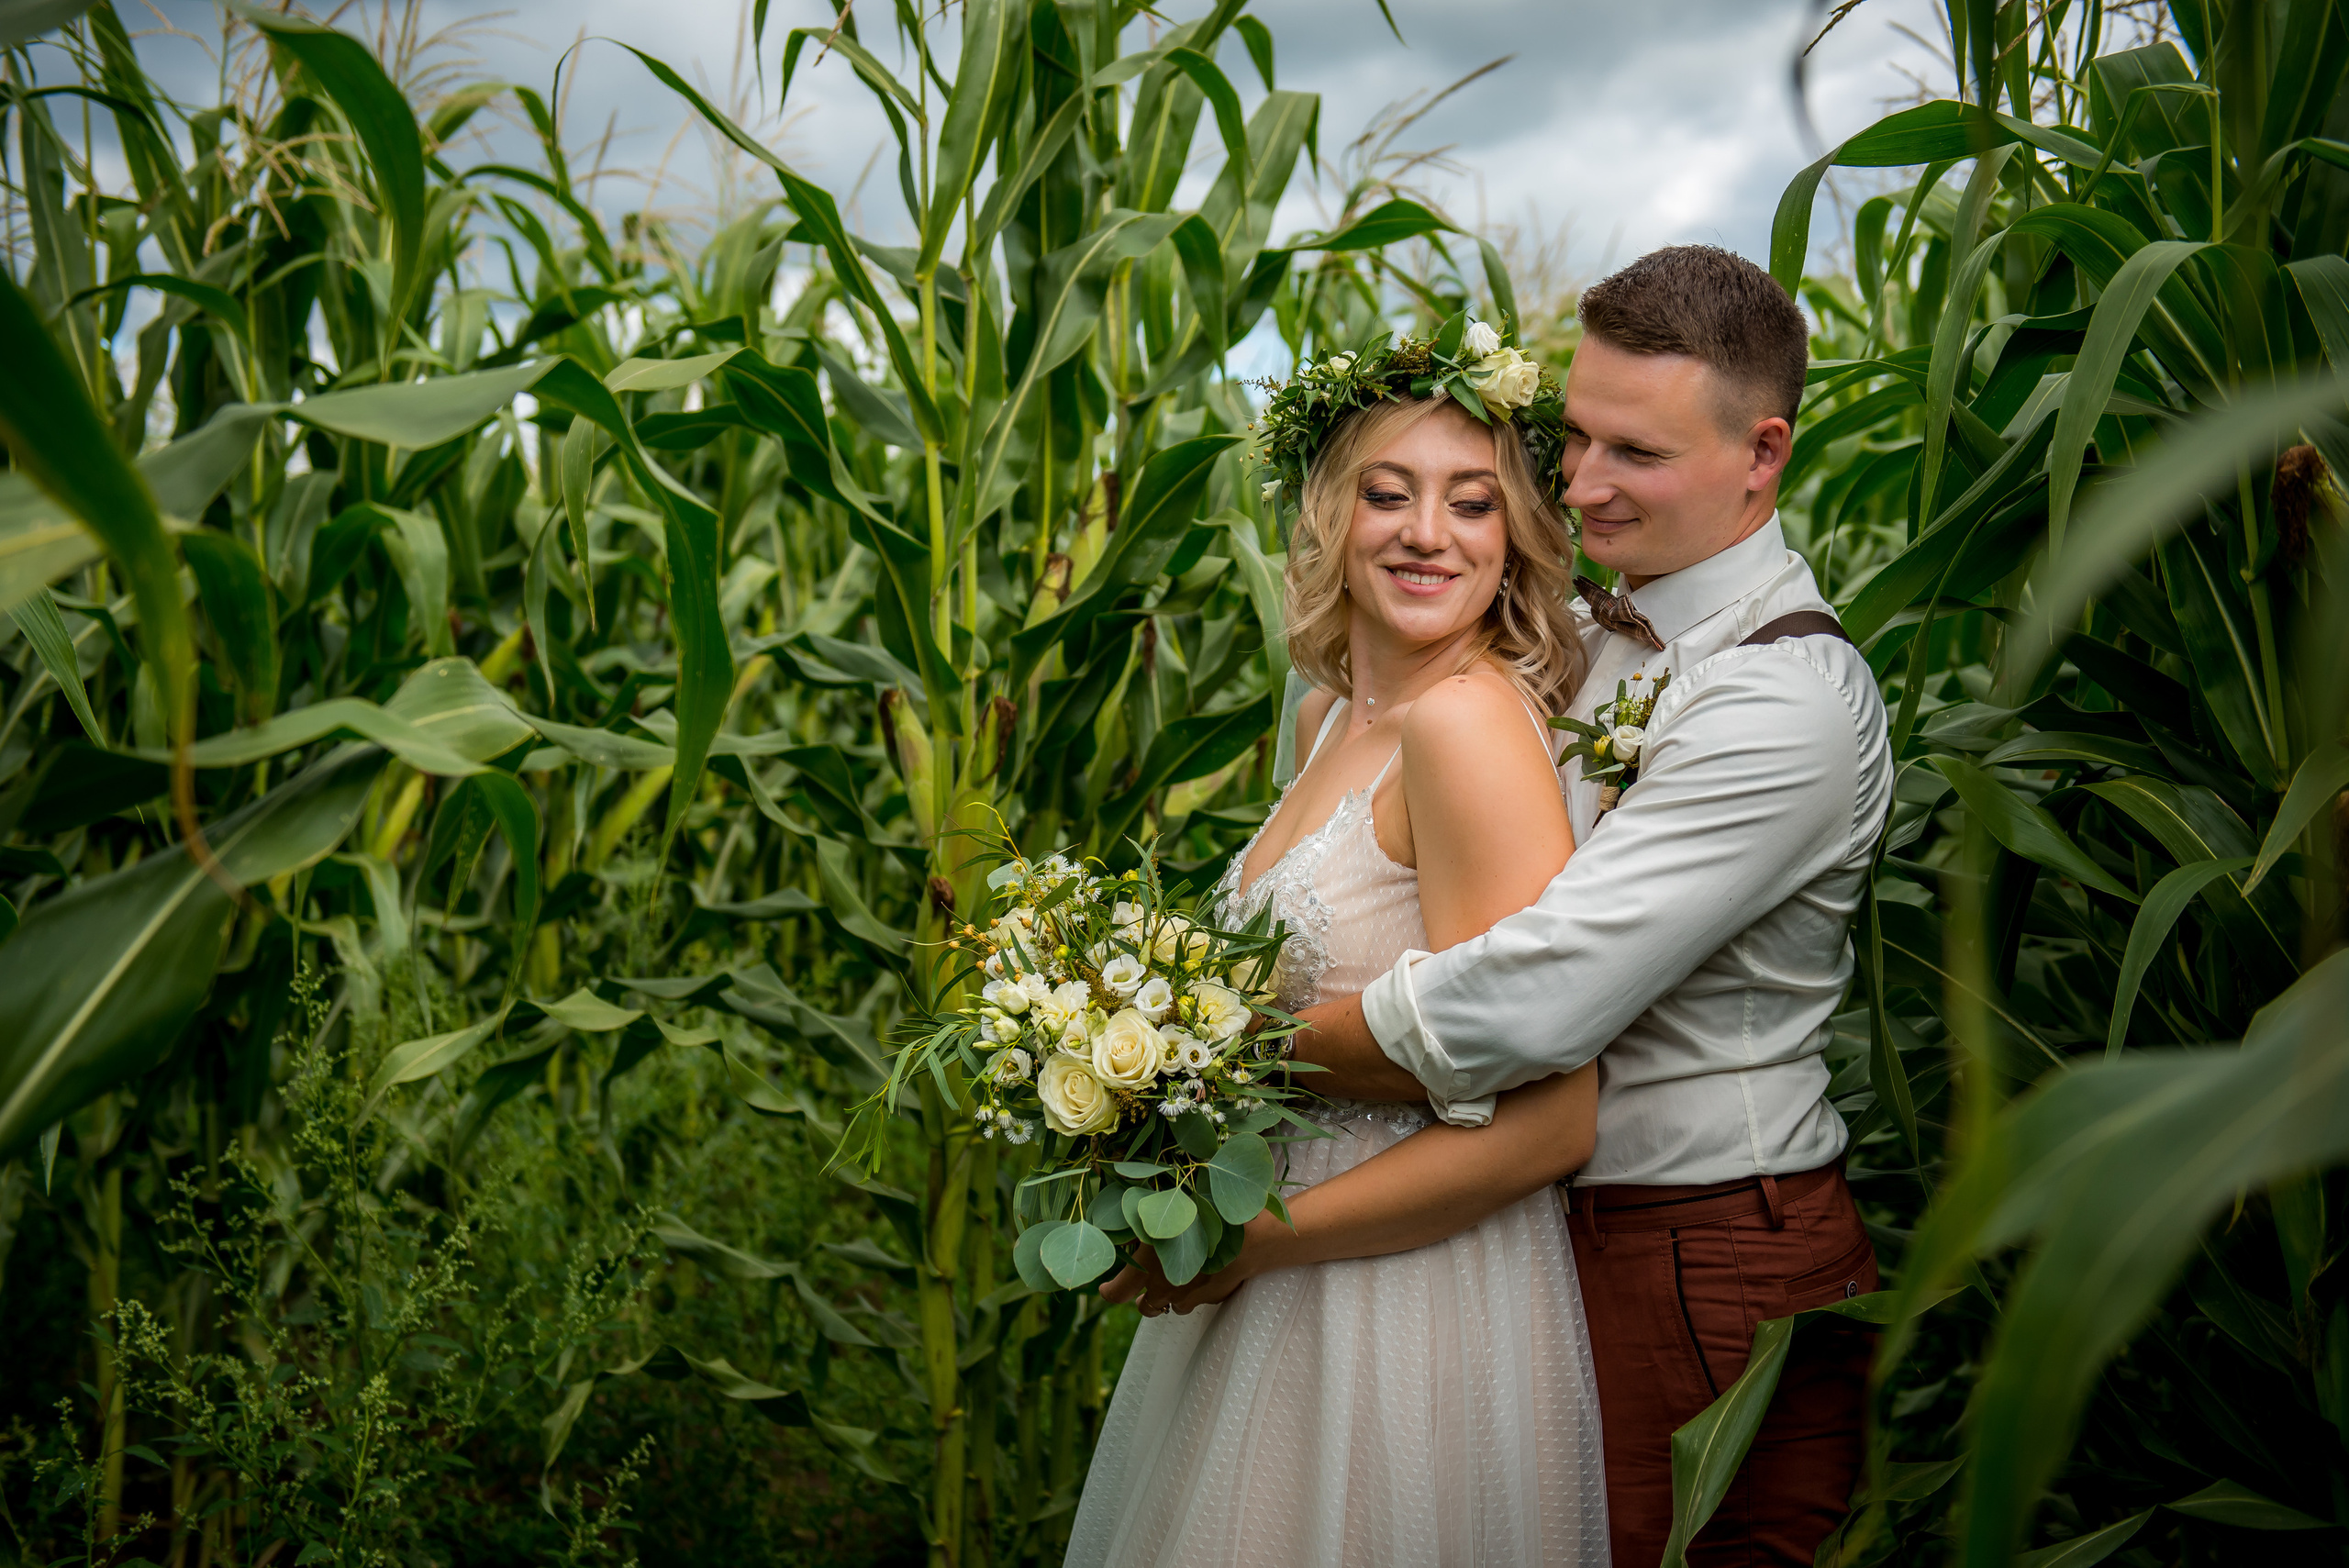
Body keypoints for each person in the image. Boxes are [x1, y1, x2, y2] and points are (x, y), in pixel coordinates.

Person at [1275, 245, 1897, 1566]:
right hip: (1539, 1234)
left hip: (1705, 1249)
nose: (1584, 484)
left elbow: (1537, 992)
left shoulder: (1781, 700)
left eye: (1639, 454)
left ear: (1762, 453)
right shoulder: (1578, 630)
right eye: (1573, 437)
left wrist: (1222, 1042)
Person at [1064, 334, 1613, 1567]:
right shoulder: (1321, 717)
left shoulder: (1467, 728)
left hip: (1400, 1306)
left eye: (1473, 502)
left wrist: (1257, 1237)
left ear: (1516, 533)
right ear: (1330, 515)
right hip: (1266, 1279)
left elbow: (1549, 1122)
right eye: (1388, 492)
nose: (1431, 532)